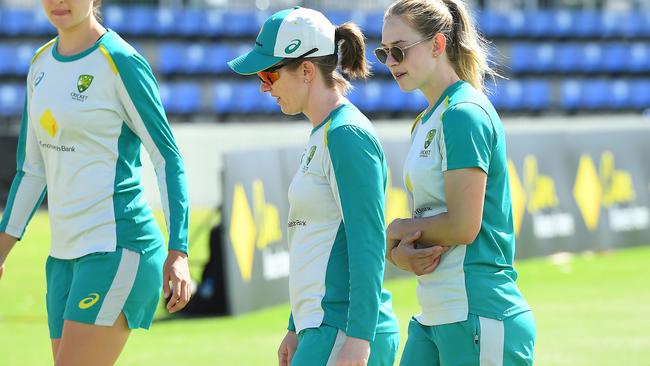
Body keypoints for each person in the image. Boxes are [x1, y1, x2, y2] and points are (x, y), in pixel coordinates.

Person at [0, 0, 191, 365]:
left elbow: (167, 157)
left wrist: (178, 250)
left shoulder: (120, 61)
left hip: (119, 248)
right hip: (62, 259)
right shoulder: (39, 63)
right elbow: (31, 170)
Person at [229, 7, 399, 366]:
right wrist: (296, 325)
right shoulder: (325, 133)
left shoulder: (345, 134)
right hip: (324, 329)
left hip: (342, 332)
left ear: (306, 70)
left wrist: (359, 339)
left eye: (268, 74)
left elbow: (368, 243)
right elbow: (316, 243)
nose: (263, 86)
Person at [376, 0, 536, 365]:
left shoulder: (464, 114)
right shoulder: (426, 120)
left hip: (478, 312)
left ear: (437, 45)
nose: (390, 63)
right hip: (435, 312)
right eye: (384, 52)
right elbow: (431, 220)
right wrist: (398, 252)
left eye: (399, 50)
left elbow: (463, 226)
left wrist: (397, 230)